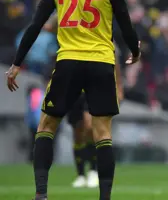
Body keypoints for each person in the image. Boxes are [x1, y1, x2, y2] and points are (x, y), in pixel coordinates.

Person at [6, 0, 141, 200]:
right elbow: (126, 26)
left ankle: (40, 197)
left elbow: (36, 24)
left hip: (68, 63)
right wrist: (135, 50)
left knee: (46, 125)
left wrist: (17, 63)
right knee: (102, 133)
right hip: (101, 64)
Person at [42, 18, 124, 189]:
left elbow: (114, 60)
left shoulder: (100, 33)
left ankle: (93, 170)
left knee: (90, 126)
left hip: (93, 85)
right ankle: (80, 173)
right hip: (72, 87)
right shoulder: (67, 33)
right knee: (77, 131)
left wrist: (119, 87)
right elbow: (48, 27)